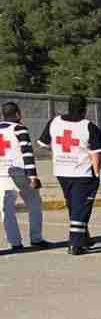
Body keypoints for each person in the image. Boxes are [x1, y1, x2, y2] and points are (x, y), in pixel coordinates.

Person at [37, 94, 101, 255]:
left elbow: (43, 143)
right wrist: (97, 173)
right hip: (83, 173)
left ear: (68, 106)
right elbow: (96, 153)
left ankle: (84, 237)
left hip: (61, 172)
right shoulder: (88, 126)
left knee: (75, 206)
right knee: (81, 208)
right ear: (85, 109)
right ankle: (75, 244)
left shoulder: (54, 122)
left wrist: (59, 153)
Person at [1, 101, 49, 251]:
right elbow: (27, 153)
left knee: (6, 210)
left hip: (2, 173)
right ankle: (36, 238)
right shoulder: (19, 128)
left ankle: (14, 242)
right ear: (18, 114)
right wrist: (33, 176)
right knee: (34, 205)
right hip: (21, 173)